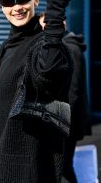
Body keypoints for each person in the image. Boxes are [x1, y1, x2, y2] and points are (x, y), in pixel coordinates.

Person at [0, 0, 88, 183]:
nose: (17, 7)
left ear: (36, 0)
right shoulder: (7, 46)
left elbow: (46, 78)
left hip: (23, 171)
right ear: (2, 7)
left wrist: (56, 10)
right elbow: (9, 106)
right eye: (8, 1)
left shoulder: (47, 46)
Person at [39, 16, 92, 183]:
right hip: (64, 120)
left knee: (63, 167)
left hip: (67, 123)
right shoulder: (64, 45)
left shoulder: (70, 48)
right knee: (61, 167)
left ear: (62, 24)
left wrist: (61, 124)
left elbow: (73, 92)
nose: (44, 30)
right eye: (42, 26)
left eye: (48, 25)